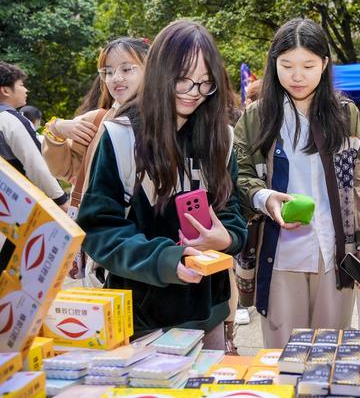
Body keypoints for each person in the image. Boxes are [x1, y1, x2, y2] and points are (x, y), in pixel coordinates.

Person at [77, 20, 247, 347]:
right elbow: (99, 229)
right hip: (143, 321)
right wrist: (164, 259)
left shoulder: (221, 138)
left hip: (208, 310)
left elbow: (232, 208)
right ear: (158, 72)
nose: (193, 94)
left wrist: (227, 237)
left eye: (204, 84)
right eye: (182, 80)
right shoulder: (122, 135)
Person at [234, 18, 360, 348]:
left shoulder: (345, 115)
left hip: (333, 251)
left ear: (325, 64)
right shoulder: (256, 117)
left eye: (308, 65)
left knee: (330, 355)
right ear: (274, 64)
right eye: (287, 65)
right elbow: (239, 176)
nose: (297, 75)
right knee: (283, 354)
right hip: (278, 256)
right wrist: (263, 197)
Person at [43, 38, 149, 193]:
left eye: (126, 69)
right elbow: (65, 171)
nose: (116, 78)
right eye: (108, 72)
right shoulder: (96, 122)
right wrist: (56, 130)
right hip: (98, 214)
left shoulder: (174, 119)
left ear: (150, 69)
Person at [0, 62, 68, 208]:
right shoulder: (9, 120)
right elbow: (36, 164)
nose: (26, 90)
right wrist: (61, 201)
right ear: (5, 90)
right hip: (16, 206)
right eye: (21, 85)